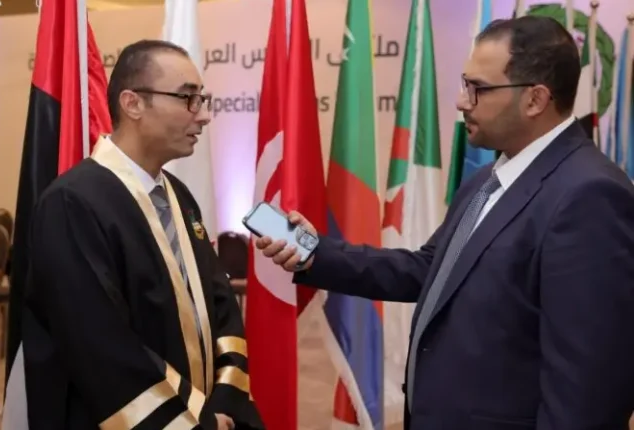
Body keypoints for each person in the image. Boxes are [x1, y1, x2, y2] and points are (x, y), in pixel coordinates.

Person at [257, 16, 634, 430]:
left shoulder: (589, 196)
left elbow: (588, 391)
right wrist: (315, 252)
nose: (461, 101)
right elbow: (428, 270)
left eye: (477, 88)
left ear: (535, 99)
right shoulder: (488, 180)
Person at [22, 40, 264, 430]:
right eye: (187, 98)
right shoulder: (72, 204)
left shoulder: (179, 196)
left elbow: (222, 311)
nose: (203, 115)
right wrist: (197, 422)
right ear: (132, 103)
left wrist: (225, 406)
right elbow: (100, 346)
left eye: (202, 99)